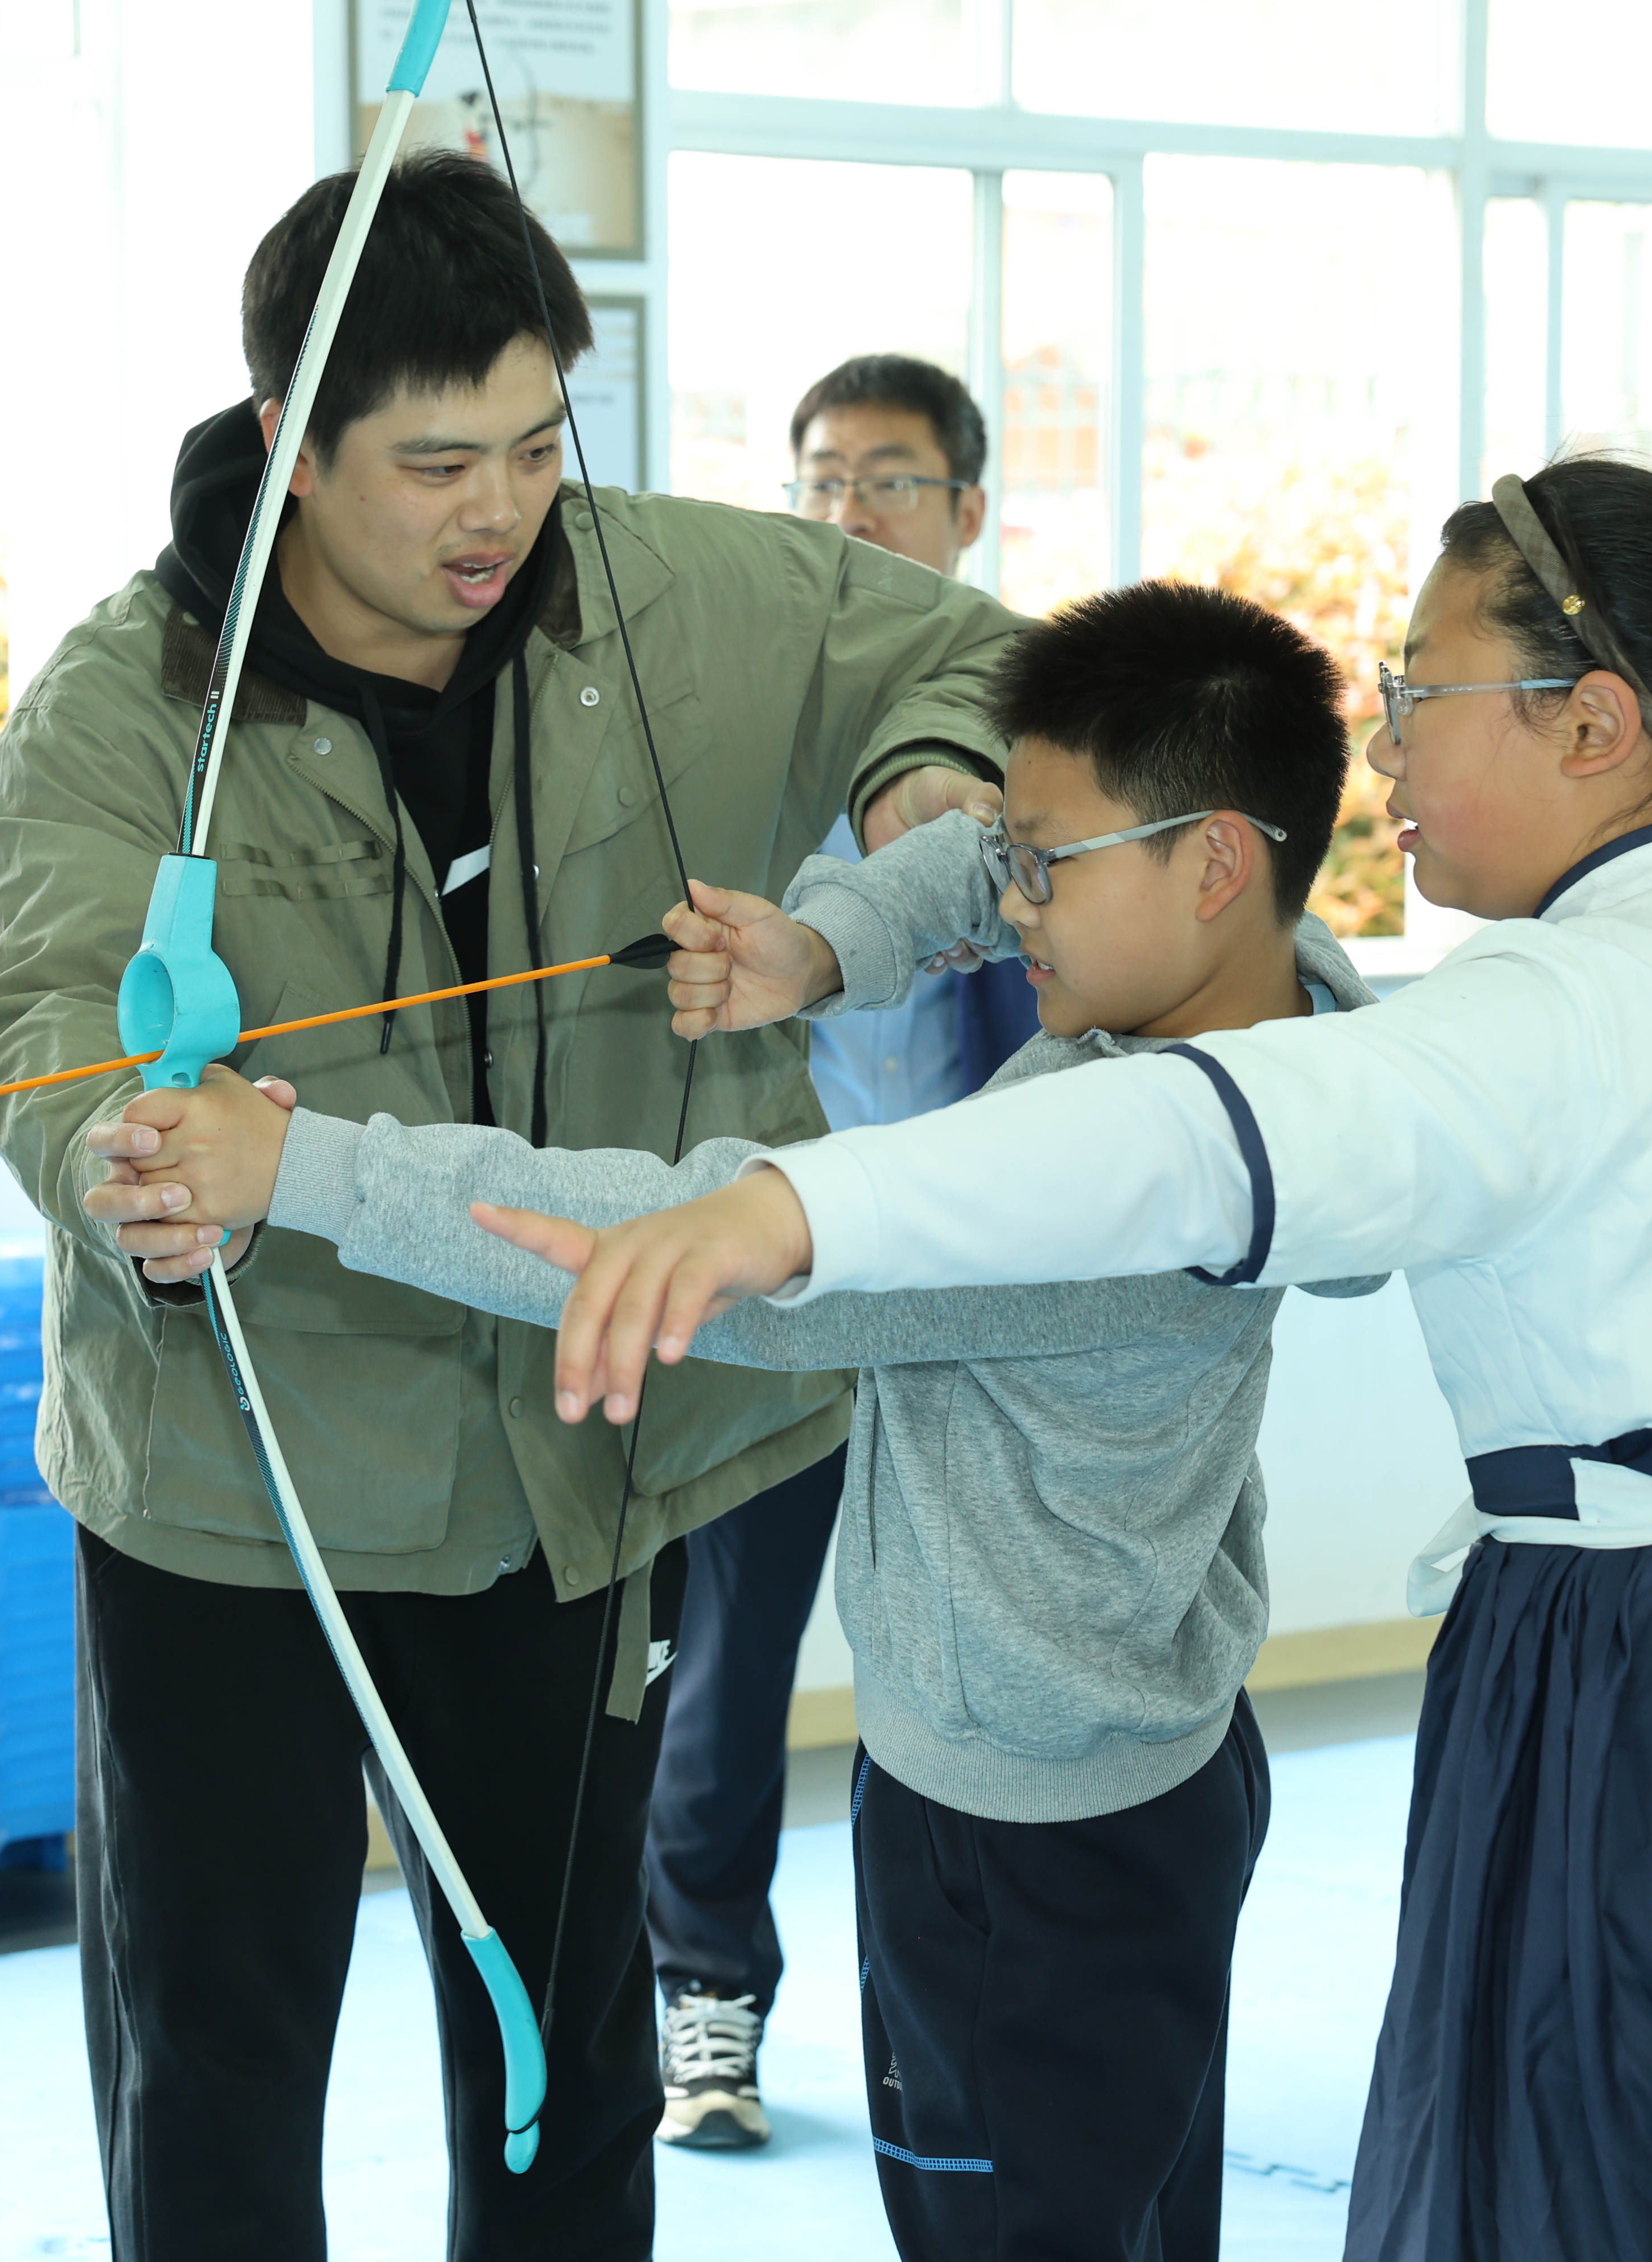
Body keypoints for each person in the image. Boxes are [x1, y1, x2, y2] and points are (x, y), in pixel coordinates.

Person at [503, 460, 1652, 2257]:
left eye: (1416, 693)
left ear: (1594, 724)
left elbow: (1181, 1133)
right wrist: (836, 956)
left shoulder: (1562, 1009)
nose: (1383, 751)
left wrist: (780, 1213)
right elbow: (1132, 966)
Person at [0, 150, 1019, 2261]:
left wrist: (918, 788)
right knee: (215, 2062)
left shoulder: (666, 595)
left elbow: (982, 656)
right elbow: (49, 1003)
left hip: (568, 1467)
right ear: (292, 441)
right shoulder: (133, 697)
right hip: (236, 1487)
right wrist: (124, 1160)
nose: (500, 513)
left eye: (541, 446)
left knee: (568, 2058)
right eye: (436, 464)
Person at [117, 579, 1378, 2256]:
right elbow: (976, 861)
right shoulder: (1294, 996)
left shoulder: (1098, 1191)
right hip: (1137, 1773)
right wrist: (828, 944)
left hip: (1024, 1845)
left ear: (1212, 862)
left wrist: (308, 1168)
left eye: (1045, 869)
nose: (1010, 899)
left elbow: (682, 1230)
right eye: (1013, 853)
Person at [630, 351, 1044, 2155]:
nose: (848, 512)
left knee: (977, 1668)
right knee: (726, 1674)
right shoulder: (742, 754)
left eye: (888, 480)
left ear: (968, 513)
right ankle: (705, 1998)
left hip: (977, 1295)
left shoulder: (1041, 753)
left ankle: (965, 2024)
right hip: (774, 1285)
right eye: (819, 480)